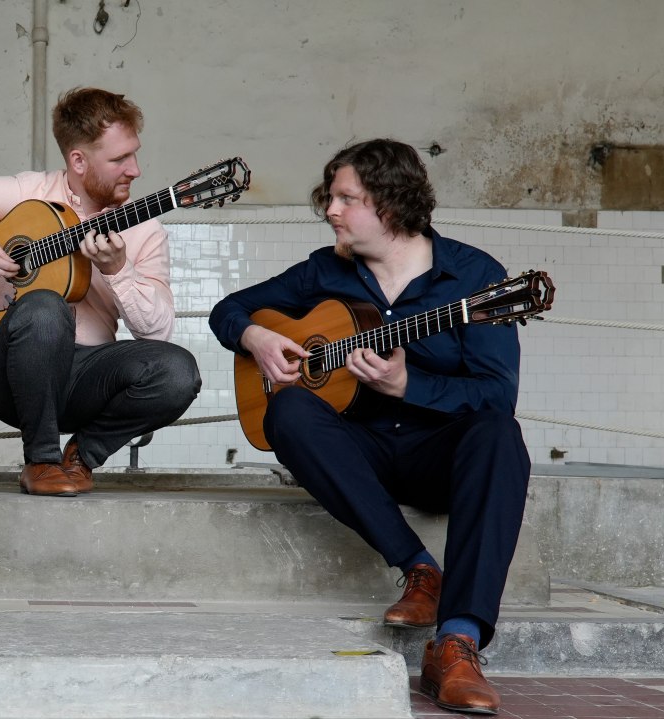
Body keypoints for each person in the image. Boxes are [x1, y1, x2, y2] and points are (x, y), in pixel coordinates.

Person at [209, 139, 529, 714]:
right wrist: (255, 337)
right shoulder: (324, 271)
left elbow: (496, 395)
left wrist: (409, 386)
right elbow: (228, 309)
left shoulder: (475, 278)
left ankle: (457, 643)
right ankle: (420, 569)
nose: (330, 210)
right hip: (361, 456)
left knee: (501, 435)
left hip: (438, 455)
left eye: (345, 199)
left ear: (390, 203)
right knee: (288, 409)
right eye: (330, 197)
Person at [0, 87, 201, 496]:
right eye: (119, 159)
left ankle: (80, 458)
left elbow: (157, 333)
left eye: (134, 154)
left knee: (179, 371)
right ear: (78, 160)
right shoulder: (27, 192)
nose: (135, 170)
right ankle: (41, 462)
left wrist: (118, 270)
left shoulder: (145, 229)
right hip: (12, 379)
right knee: (45, 305)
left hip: (88, 380)